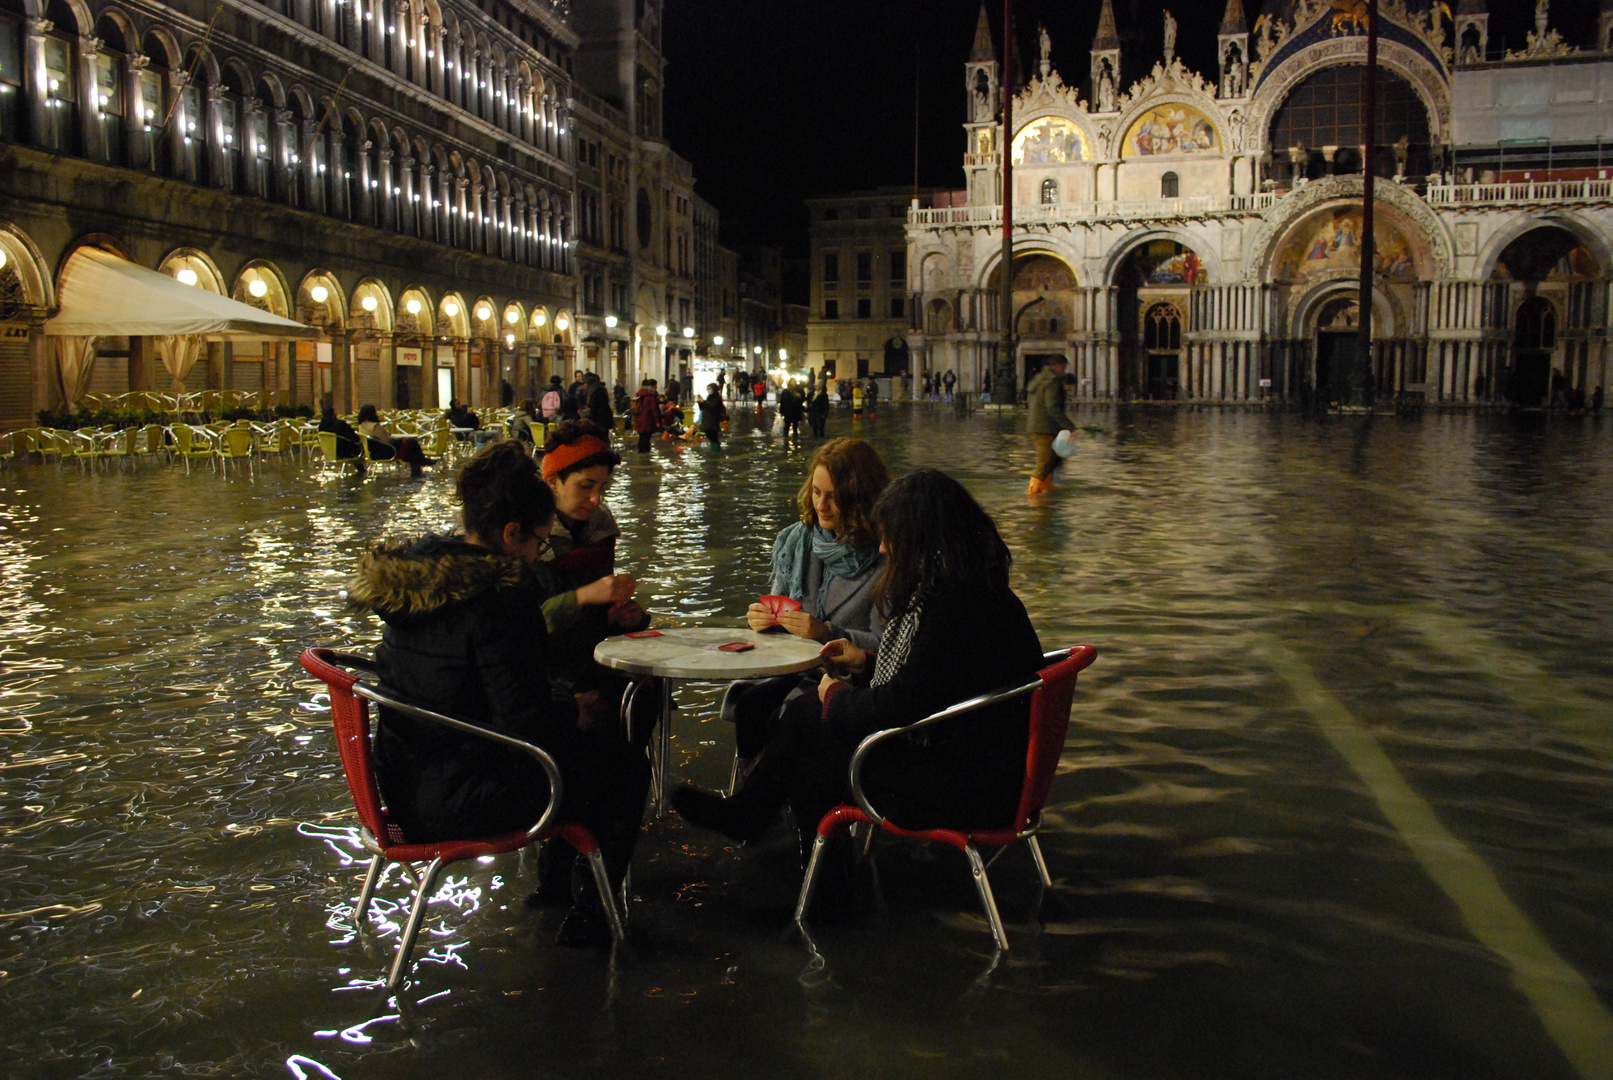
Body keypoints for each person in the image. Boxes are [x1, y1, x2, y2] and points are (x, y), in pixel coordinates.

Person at [345, 442, 651, 948]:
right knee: (623, 768)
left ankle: (555, 888)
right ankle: (592, 916)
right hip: (462, 799)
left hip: (396, 783)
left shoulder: (417, 585)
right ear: (511, 535)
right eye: (536, 541)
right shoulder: (501, 601)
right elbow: (527, 724)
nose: (537, 553)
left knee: (589, 750)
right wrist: (568, 707)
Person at [672, 469, 1045, 857]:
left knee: (810, 754)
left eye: (890, 537)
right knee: (807, 722)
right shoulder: (977, 589)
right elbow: (938, 681)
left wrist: (836, 695)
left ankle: (820, 887)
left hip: (969, 783)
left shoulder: (952, 605)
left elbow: (903, 704)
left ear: (919, 539)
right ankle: (777, 845)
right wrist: (865, 663)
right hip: (987, 761)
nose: (883, 549)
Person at [726, 438, 891, 759]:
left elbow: (885, 647)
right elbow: (777, 613)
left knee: (785, 712)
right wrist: (759, 621)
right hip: (793, 671)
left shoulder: (885, 556)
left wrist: (825, 632)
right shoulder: (794, 541)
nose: (821, 505)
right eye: (816, 492)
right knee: (748, 702)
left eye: (834, 496)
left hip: (849, 683)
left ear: (859, 497)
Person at [537, 421, 658, 737]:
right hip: (546, 676)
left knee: (647, 692)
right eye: (585, 486)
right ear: (552, 482)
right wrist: (583, 596)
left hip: (591, 660)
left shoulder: (597, 531)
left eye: (601, 489)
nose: (595, 500)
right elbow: (518, 627)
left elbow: (598, 614)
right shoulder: (525, 537)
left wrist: (624, 618)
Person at [1025, 357, 1074, 496]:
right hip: (1046, 427)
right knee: (1045, 462)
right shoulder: (1053, 381)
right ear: (1058, 365)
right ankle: (1034, 495)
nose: (1064, 369)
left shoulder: (1040, 378)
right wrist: (1068, 426)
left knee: (1053, 460)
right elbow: (1053, 407)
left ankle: (1047, 488)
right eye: (1064, 366)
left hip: (1037, 425)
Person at [356, 403, 433, 477]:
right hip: (386, 452)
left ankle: (420, 464)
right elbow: (386, 440)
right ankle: (421, 463)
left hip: (374, 453)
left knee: (411, 449)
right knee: (412, 443)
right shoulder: (374, 426)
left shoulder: (361, 426)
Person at [318, 405, 365, 473]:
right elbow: (353, 436)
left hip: (328, 451)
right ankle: (361, 471)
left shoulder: (321, 427)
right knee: (359, 447)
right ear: (334, 413)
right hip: (344, 451)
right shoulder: (340, 424)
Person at [631, 378, 663, 452]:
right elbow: (654, 409)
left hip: (638, 418)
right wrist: (657, 421)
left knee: (641, 437)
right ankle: (645, 457)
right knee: (646, 439)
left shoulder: (638, 394)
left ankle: (641, 456)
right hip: (648, 420)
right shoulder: (651, 396)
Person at [700, 383, 728, 449]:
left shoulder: (716, 398)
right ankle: (714, 449)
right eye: (707, 389)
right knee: (710, 436)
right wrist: (701, 403)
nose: (708, 390)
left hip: (712, 421)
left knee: (713, 436)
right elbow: (704, 407)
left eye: (709, 389)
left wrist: (704, 402)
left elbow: (712, 406)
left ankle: (716, 450)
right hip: (708, 421)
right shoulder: (709, 397)